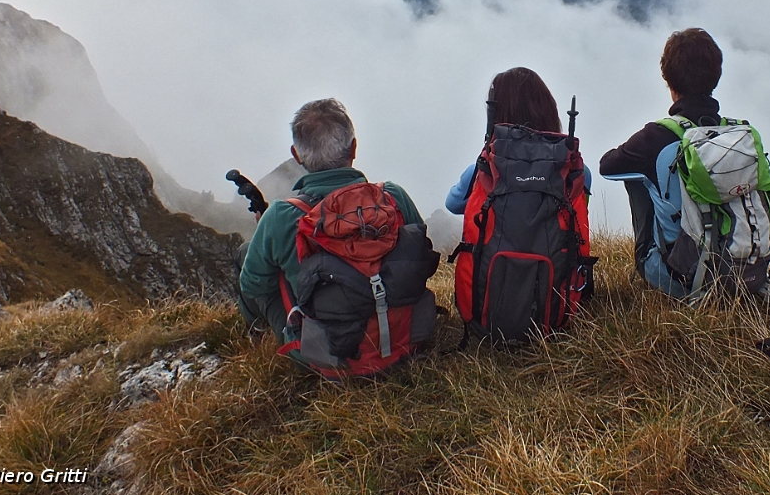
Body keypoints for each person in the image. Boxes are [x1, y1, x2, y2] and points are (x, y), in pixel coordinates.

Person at [238, 98, 427, 341]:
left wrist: (268, 236)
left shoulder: (280, 216)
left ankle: (259, 339)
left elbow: (253, 287)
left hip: (325, 358)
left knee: (246, 255)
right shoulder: (393, 197)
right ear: (354, 148)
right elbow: (421, 256)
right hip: (402, 337)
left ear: (296, 156)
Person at [599, 28, 735, 298]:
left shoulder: (657, 137)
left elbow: (607, 166)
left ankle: (658, 257)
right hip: (742, 270)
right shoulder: (739, 135)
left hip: (681, 281)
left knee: (637, 177)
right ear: (715, 77)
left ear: (669, 82)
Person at [445, 67, 592, 213]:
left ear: (497, 116)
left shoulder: (482, 171)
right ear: (550, 111)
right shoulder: (578, 171)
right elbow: (579, 211)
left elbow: (453, 204)